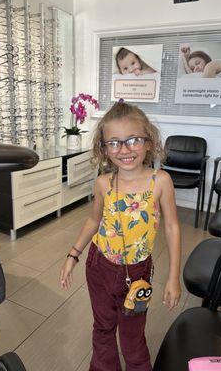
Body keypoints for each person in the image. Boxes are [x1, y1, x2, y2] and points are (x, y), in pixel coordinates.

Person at [60, 101, 181, 371]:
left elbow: (172, 227)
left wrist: (174, 277)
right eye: (114, 143)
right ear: (103, 149)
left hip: (137, 273)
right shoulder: (104, 183)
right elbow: (94, 220)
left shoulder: (160, 181)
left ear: (148, 142)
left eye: (133, 140)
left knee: (132, 338)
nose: (124, 150)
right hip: (99, 265)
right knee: (102, 328)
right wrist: (73, 255)